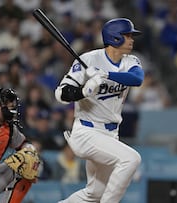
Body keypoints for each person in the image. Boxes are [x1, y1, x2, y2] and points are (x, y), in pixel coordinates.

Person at [54, 18, 144, 203]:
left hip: (110, 134)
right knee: (131, 159)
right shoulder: (89, 59)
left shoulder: (130, 60)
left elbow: (137, 79)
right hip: (87, 132)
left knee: (94, 194)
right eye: (128, 35)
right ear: (115, 38)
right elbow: (61, 93)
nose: (132, 39)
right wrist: (84, 91)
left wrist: (104, 75)